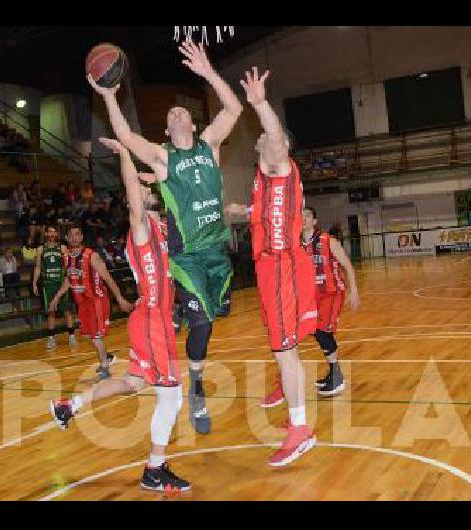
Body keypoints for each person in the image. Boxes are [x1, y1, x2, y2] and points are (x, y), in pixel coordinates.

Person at [89, 40, 242, 434]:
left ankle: (182, 317)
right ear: (168, 129)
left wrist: (208, 73)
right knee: (203, 322)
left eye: (182, 111)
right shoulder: (161, 158)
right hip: (186, 255)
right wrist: (109, 97)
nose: (176, 112)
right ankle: (196, 385)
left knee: (216, 314)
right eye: (171, 113)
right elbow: (124, 134)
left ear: (191, 124)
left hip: (216, 251)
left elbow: (234, 109)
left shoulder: (210, 144)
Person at [49, 137, 189, 492]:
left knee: (134, 382)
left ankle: (70, 405)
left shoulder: (162, 225)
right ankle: (154, 469)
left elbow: (170, 189)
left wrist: (156, 174)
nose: (146, 190)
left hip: (152, 316)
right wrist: (126, 153)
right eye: (140, 192)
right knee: (171, 396)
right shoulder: (140, 228)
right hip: (152, 317)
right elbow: (135, 190)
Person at [223, 67, 318, 466]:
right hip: (270, 268)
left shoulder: (280, 166)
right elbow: (269, 214)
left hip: (282, 266)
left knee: (284, 349)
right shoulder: (264, 180)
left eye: (267, 137)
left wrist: (260, 103)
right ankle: (289, 395)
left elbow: (276, 139)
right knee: (283, 347)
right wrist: (243, 212)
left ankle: (301, 429)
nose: (261, 138)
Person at [256, 206, 360, 407]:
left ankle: (336, 375)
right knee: (293, 334)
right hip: (308, 296)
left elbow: (347, 264)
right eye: (300, 216)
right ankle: (289, 381)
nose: (303, 219)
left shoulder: (328, 240)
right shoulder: (295, 245)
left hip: (331, 292)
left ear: (314, 221)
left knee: (321, 331)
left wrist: (354, 288)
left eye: (307, 216)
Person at [49, 225, 132, 379]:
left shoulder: (91, 256)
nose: (74, 237)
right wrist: (57, 296)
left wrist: (119, 298)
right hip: (82, 304)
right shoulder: (67, 257)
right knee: (88, 336)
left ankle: (105, 367)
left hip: (97, 301)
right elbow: (69, 278)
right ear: (66, 238)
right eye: (71, 235)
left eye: (77, 234)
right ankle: (106, 357)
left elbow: (107, 278)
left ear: (81, 237)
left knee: (95, 336)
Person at [32, 226, 77, 349]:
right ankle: (51, 339)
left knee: (66, 310)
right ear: (46, 233)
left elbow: (68, 265)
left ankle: (72, 336)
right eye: (50, 232)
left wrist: (70, 279)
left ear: (57, 234)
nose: (52, 234)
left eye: (54, 232)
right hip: (48, 284)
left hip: (61, 282)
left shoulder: (62, 247)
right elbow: (37, 267)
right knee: (50, 311)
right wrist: (34, 283)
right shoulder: (41, 249)